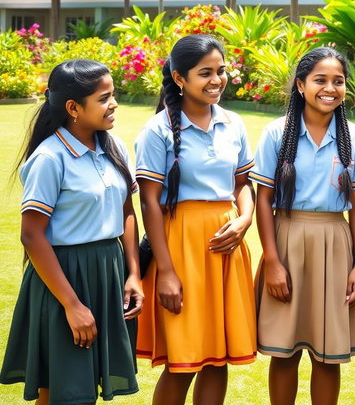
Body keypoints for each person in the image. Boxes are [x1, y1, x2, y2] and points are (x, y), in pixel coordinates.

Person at [0, 59, 142, 405]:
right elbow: (32, 235)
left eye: (114, 95)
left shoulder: (114, 148)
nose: (114, 104)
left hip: (108, 273)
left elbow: (126, 212)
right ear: (73, 108)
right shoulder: (50, 158)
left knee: (81, 386)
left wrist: (133, 274)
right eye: (104, 97)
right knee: (66, 391)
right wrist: (72, 304)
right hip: (64, 279)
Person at [135, 34, 256, 405]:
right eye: (205, 72)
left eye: (221, 71)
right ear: (179, 78)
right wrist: (167, 272)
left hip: (226, 246)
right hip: (181, 248)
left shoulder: (233, 123)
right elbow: (150, 203)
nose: (217, 80)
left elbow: (242, 185)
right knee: (181, 361)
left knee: (218, 359)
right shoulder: (157, 130)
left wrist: (245, 219)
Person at [251, 46, 355, 405]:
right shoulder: (276, 134)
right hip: (287, 240)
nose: (330, 88)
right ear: (301, 85)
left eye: (339, 81)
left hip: (336, 243)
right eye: (320, 80)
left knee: (327, 354)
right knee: (284, 351)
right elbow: (263, 201)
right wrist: (272, 262)